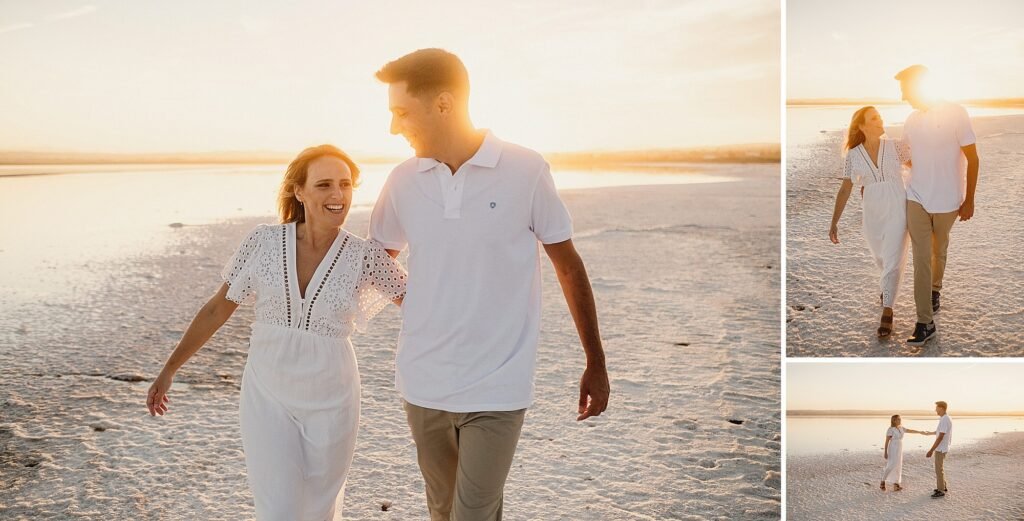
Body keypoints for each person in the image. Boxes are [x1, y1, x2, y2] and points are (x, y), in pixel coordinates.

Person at [369, 48, 610, 521]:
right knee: (442, 509)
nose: (394, 128)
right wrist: (418, 302)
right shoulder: (402, 181)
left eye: (401, 113)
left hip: (498, 385)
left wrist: (595, 361)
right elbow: (375, 261)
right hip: (422, 383)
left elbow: (567, 265)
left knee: (473, 512)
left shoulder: (525, 169)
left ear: (443, 104)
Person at [145, 145, 407, 520]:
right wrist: (169, 370)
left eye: (345, 185)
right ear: (299, 191)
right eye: (324, 185)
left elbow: (419, 305)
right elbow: (218, 308)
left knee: (319, 508)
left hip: (333, 397)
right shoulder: (264, 241)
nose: (338, 195)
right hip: (268, 394)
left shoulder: (363, 255)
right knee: (279, 509)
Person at [895, 65, 980, 347]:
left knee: (938, 248)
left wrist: (969, 199)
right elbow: (905, 155)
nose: (903, 96)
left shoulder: (956, 112)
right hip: (916, 196)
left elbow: (973, 158)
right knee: (921, 258)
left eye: (905, 90)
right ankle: (925, 322)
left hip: (947, 199)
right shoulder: (911, 119)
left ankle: (935, 289)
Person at [830, 106, 911, 337]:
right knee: (882, 258)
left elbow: (919, 168)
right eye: (874, 118)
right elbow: (846, 187)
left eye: (880, 116)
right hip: (873, 211)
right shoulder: (853, 155)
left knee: (894, 258)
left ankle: (888, 310)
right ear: (862, 126)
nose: (880, 120)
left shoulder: (895, 146)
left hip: (897, 206)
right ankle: (887, 289)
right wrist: (834, 222)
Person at [880, 414, 933, 491]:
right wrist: (885, 452)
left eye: (900, 419)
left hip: (899, 447)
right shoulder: (890, 429)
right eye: (898, 419)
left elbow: (910, 430)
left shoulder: (901, 428)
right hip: (893, 447)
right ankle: (882, 481)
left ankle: (896, 484)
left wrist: (920, 432)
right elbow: (887, 441)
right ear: (894, 420)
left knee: (898, 465)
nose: (900, 420)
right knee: (891, 465)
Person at [926, 400, 953, 498]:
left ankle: (941, 490)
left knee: (938, 469)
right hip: (943, 447)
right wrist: (931, 433)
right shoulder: (945, 418)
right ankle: (943, 486)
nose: (935, 410)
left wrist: (931, 450)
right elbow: (940, 432)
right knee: (939, 468)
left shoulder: (945, 419)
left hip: (941, 448)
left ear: (941, 408)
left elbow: (941, 436)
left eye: (936, 408)